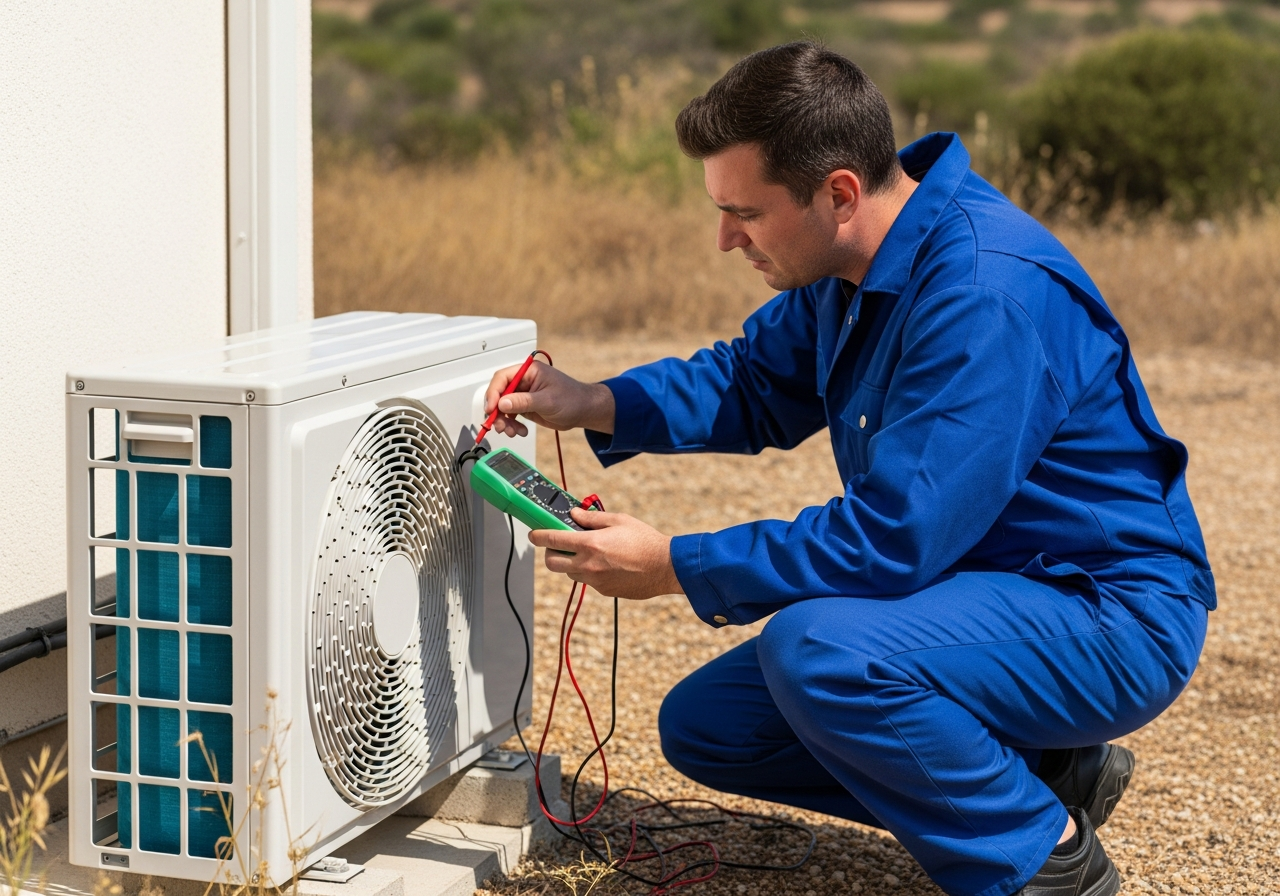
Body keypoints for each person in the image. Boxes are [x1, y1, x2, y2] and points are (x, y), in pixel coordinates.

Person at [481, 42, 1213, 896]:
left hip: (1104, 613)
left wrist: (674, 564)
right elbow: (753, 382)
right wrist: (594, 400)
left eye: (745, 213)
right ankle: (1049, 772)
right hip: (979, 585)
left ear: (838, 193)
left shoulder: (983, 292)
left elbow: (892, 538)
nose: (725, 239)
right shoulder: (854, 260)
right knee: (712, 726)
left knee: (822, 654)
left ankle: (1045, 859)